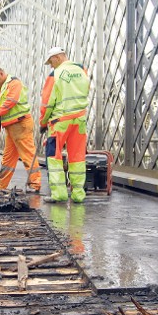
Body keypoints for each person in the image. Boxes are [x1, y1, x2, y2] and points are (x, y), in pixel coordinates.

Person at [39, 47, 90, 203]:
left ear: (57, 58)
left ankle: (59, 194)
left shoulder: (55, 74)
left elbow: (47, 103)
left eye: (51, 62)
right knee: (78, 157)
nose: (51, 65)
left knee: (54, 158)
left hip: (60, 122)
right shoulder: (81, 69)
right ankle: (78, 194)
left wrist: (43, 122)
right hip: (80, 120)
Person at [0, 66, 41, 193]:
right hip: (11, 127)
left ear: (1, 73)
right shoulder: (0, 88)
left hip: (20, 123)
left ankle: (35, 184)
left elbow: (11, 101)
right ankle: (0, 184)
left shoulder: (14, 83)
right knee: (8, 158)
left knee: (27, 154)